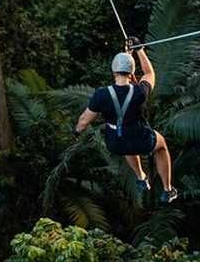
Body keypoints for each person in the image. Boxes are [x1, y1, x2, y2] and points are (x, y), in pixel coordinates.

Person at [72, 37, 178, 203]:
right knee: (162, 146)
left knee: (127, 143)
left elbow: (84, 120)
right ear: (131, 73)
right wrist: (139, 50)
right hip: (138, 137)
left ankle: (141, 178)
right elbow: (149, 74)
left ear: (114, 72)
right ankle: (167, 189)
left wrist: (76, 132)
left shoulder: (101, 94)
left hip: (115, 142)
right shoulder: (139, 92)